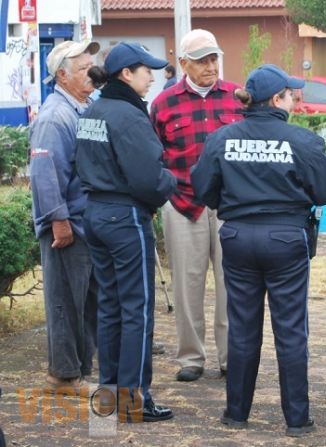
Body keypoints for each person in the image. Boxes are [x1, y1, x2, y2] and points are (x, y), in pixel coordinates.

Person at [191, 64, 326, 437]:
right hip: (286, 238)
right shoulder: (300, 140)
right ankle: (297, 419)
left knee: (242, 327)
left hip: (238, 236)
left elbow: (203, 188)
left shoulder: (222, 137)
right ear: (277, 99)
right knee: (291, 330)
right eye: (291, 93)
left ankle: (236, 413)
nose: (294, 98)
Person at [75, 42, 177, 422]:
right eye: (145, 70)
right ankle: (135, 399)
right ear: (125, 74)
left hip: (96, 212)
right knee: (138, 310)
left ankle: (109, 396)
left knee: (110, 306)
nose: (152, 76)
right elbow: (148, 178)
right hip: (124, 216)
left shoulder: (93, 109)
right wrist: (170, 182)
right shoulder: (129, 116)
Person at [151, 29, 241, 382]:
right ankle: (191, 357)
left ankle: (231, 356)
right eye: (202, 59)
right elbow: (154, 154)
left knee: (230, 283)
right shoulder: (163, 103)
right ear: (183, 63)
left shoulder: (237, 98)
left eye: (214, 57)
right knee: (187, 286)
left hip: (229, 205)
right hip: (183, 203)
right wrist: (165, 195)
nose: (210, 65)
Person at [29, 39, 100, 391]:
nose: (93, 73)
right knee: (64, 301)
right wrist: (58, 219)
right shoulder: (55, 116)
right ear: (62, 75)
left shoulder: (83, 107)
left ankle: (77, 370)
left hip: (83, 222)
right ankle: (63, 375)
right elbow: (44, 172)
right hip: (65, 225)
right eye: (85, 69)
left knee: (84, 300)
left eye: (91, 65)